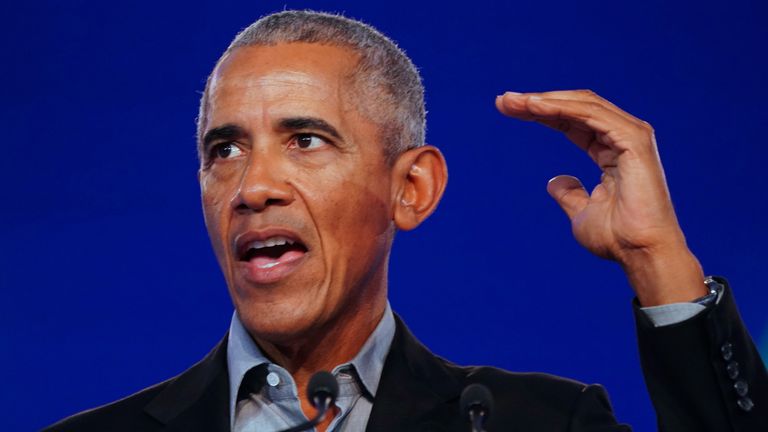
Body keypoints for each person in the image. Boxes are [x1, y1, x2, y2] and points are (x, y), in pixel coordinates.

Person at [45, 10, 767, 432]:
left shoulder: (533, 423)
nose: (253, 185)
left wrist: (655, 257)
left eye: (306, 140)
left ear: (412, 188)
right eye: (224, 149)